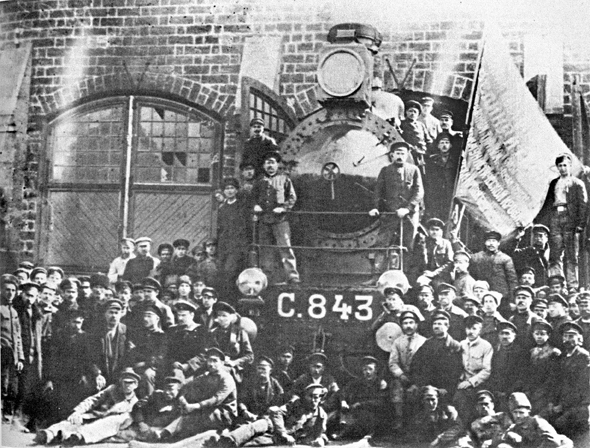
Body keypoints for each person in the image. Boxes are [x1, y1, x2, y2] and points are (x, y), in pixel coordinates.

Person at [34, 368, 141, 445]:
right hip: (94, 416)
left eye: (131, 383)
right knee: (74, 421)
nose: (128, 385)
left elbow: (128, 420)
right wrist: (78, 411)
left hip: (108, 424)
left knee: (104, 424)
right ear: (120, 382)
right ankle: (48, 434)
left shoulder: (134, 402)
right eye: (125, 382)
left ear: (136, 385)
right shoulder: (112, 389)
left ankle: (74, 437)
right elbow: (93, 400)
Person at [369, 141, 424, 280]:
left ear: (407, 155)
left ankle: (406, 276)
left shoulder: (414, 170)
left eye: (403, 153)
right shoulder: (385, 171)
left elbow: (419, 191)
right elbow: (378, 191)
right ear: (392, 155)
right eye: (397, 153)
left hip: (409, 214)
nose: (400, 156)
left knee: (408, 243)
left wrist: (407, 208)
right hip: (390, 212)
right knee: (382, 242)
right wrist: (375, 207)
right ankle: (377, 275)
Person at [156, 347, 237, 441]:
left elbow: (217, 399)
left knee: (195, 417)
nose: (211, 364)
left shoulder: (227, 378)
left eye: (215, 361)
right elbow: (187, 385)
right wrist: (182, 398)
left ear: (222, 363)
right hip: (208, 409)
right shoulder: (206, 376)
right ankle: (169, 433)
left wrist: (195, 406)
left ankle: (165, 433)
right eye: (209, 360)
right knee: (189, 413)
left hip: (224, 414)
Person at [536, 153, 588, 291]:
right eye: (560, 166)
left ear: (570, 166)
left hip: (570, 218)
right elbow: (547, 203)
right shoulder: (554, 183)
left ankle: (572, 285)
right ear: (557, 168)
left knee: (571, 254)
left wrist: (580, 224)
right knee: (555, 252)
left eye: (565, 165)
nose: (563, 168)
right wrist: (537, 219)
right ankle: (557, 283)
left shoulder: (577, 183)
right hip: (555, 218)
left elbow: (583, 205)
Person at [252, 151, 301, 284]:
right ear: (263, 166)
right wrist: (255, 206)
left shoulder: (285, 179)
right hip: (264, 220)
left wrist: (283, 208)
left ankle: (292, 276)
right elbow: (252, 198)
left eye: (273, 162)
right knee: (265, 249)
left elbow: (292, 197)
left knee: (285, 247)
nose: (270, 165)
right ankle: (267, 277)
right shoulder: (259, 181)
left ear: (277, 165)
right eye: (267, 163)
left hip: (280, 221)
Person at [46, 310, 94, 422]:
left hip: (77, 375)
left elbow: (88, 359)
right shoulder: (59, 336)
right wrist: (50, 378)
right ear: (68, 322)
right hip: (61, 374)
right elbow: (53, 358)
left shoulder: (86, 337)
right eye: (74, 322)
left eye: (79, 322)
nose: (76, 325)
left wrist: (84, 375)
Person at [546, 321, 590, 437]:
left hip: (578, 406)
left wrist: (563, 406)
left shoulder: (584, 357)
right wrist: (551, 402)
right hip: (560, 403)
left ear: (579, 338)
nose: (567, 339)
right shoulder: (562, 357)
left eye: (571, 336)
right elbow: (555, 381)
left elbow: (581, 387)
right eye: (565, 336)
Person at [116, 370, 185, 442]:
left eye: (171, 389)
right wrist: (141, 423)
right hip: (146, 427)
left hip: (163, 431)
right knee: (120, 435)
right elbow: (137, 406)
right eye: (165, 388)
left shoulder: (182, 401)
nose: (167, 392)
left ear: (179, 388)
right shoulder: (157, 395)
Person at [13, 281, 45, 432]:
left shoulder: (37, 313)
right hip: (20, 355)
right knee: (19, 389)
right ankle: (14, 420)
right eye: (28, 295)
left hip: (34, 357)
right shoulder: (16, 310)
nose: (30, 299)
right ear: (22, 294)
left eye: (33, 296)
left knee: (32, 389)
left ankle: (30, 423)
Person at [411, 310, 463, 399]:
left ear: (447, 326)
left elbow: (457, 371)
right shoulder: (427, 343)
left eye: (439, 324)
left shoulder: (454, 345)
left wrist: (447, 388)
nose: (436, 326)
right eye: (434, 324)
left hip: (445, 389)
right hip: (426, 386)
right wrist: (419, 384)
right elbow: (416, 364)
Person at [389, 309, 427, 428]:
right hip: (402, 377)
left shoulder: (424, 341)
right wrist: (400, 375)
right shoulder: (397, 342)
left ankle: (417, 422)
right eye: (405, 323)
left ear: (416, 324)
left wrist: (418, 380)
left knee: (415, 393)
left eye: (411, 322)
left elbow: (427, 365)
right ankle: (399, 419)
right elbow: (393, 363)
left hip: (419, 378)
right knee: (396, 388)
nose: (408, 326)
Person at [453, 315, 493, 426]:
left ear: (480, 330)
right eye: (468, 328)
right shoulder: (461, 345)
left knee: (481, 404)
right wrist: (461, 380)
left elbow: (486, 370)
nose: (471, 332)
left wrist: (470, 382)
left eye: (474, 328)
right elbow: (457, 366)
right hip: (462, 383)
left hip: (480, 384)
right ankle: (462, 430)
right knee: (458, 401)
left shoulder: (486, 346)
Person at [338, 356, 388, 439]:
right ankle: (345, 431)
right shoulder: (358, 382)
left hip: (375, 414)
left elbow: (381, 402)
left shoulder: (381, 383)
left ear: (375, 370)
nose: (367, 372)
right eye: (365, 369)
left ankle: (348, 432)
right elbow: (343, 391)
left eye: (370, 369)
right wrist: (343, 401)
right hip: (358, 412)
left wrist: (360, 404)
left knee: (367, 417)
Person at [470, 230, 518, 317]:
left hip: (502, 298)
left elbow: (512, 280)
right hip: (482, 296)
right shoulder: (477, 257)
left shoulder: (505, 259)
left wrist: (512, 300)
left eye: (494, 241)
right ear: (485, 242)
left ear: (498, 243)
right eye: (488, 241)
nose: (491, 244)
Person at [500, 392, 572, 448]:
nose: (518, 416)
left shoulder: (537, 422)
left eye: (521, 412)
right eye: (515, 412)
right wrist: (508, 434)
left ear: (528, 412)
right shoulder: (514, 427)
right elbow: (501, 439)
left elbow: (554, 442)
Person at [127, 302, 168, 398]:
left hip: (155, 368)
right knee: (127, 372)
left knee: (148, 374)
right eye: (144, 316)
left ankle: (151, 401)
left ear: (157, 319)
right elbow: (132, 352)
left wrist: (144, 363)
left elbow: (160, 356)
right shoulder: (139, 335)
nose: (145, 319)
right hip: (137, 365)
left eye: (149, 316)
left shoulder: (162, 336)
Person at [208, 301, 254, 384]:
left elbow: (250, 356)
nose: (221, 318)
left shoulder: (240, 333)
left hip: (233, 369)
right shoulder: (212, 333)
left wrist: (234, 362)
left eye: (224, 316)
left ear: (232, 317)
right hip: (214, 367)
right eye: (219, 315)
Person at [89, 298, 131, 389]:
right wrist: (97, 374)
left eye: (116, 313)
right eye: (110, 312)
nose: (113, 316)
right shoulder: (96, 332)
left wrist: (125, 373)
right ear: (105, 314)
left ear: (121, 315)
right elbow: (90, 357)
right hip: (101, 373)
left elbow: (130, 355)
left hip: (119, 373)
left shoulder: (127, 331)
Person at [522, 320, 561, 415]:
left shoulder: (553, 353)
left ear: (548, 335)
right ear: (533, 335)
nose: (539, 336)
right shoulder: (531, 351)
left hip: (545, 392)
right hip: (532, 390)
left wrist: (543, 392)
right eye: (537, 334)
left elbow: (554, 377)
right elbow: (528, 373)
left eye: (542, 334)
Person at [488, 321, 527, 412]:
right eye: (502, 333)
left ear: (514, 335)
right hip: (496, 392)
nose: (504, 337)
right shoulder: (494, 351)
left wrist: (507, 393)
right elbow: (491, 372)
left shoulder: (521, 353)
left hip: (513, 392)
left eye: (507, 333)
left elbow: (522, 377)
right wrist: (495, 391)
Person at [1, 274, 24, 423]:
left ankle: (7, 418)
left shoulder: (14, 311)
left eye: (13, 290)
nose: (10, 293)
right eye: (7, 289)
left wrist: (20, 357)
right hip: (2, 352)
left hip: (13, 355)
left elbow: (18, 336)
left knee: (12, 388)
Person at [217, 177, 248, 288]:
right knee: (221, 270)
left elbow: (244, 227)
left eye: (232, 188)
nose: (229, 191)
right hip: (224, 244)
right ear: (224, 191)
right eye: (227, 188)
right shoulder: (222, 208)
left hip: (237, 244)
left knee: (230, 271)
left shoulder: (242, 207)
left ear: (236, 190)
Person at [425, 132, 460, 220]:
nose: (444, 145)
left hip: (451, 192)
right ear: (437, 146)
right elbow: (429, 179)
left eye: (447, 142)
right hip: (437, 193)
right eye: (442, 143)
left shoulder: (457, 160)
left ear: (451, 145)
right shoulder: (432, 160)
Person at [415, 218, 454, 286]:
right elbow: (418, 262)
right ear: (428, 231)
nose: (434, 232)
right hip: (427, 275)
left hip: (442, 275)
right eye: (432, 229)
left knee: (438, 285)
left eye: (437, 230)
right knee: (420, 283)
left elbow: (450, 263)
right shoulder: (424, 243)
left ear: (441, 231)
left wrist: (434, 273)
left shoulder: (446, 243)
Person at [400, 100, 431, 171]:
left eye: (415, 112)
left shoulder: (421, 125)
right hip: (409, 153)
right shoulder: (402, 124)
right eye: (410, 111)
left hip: (421, 153)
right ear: (406, 112)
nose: (412, 113)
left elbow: (428, 139)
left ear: (418, 114)